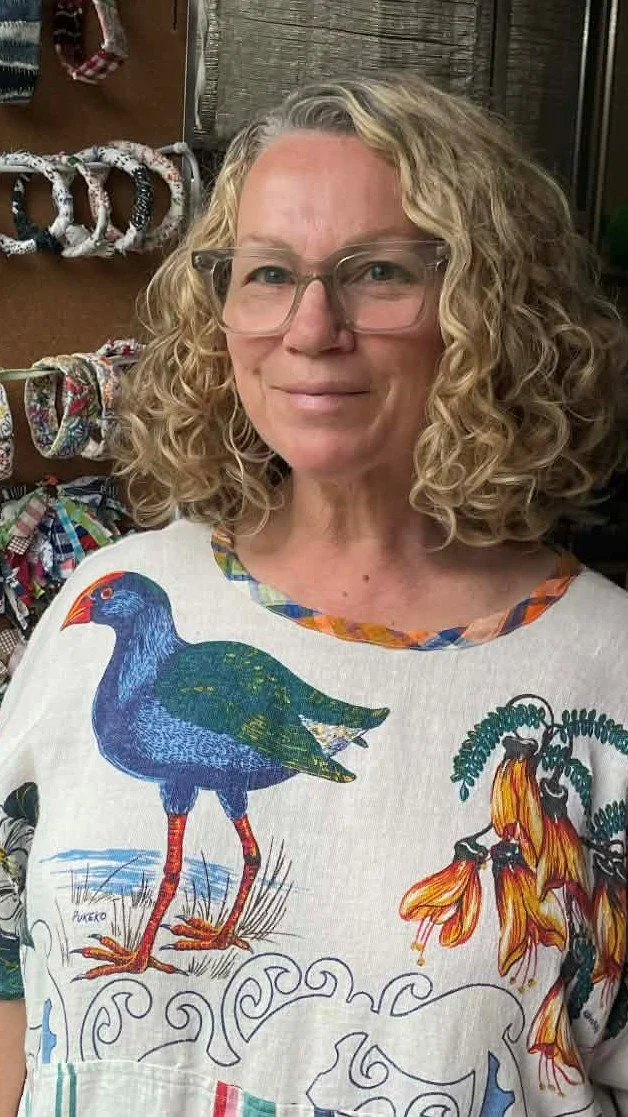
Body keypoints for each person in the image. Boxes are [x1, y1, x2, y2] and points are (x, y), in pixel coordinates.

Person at [1, 72, 627, 1117]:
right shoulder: (107, 592)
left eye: (375, 271)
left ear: (485, 303)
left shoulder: (600, 678)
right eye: (267, 273)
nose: (310, 326)